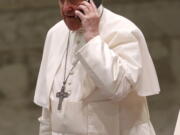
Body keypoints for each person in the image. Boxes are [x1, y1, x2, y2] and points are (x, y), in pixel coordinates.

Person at [33, 0, 160, 135]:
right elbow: (48, 111)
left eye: (73, 1)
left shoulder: (124, 30)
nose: (65, 8)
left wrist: (93, 38)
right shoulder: (55, 33)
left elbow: (119, 88)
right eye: (62, 0)